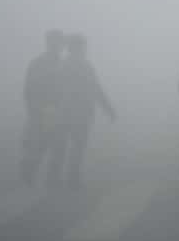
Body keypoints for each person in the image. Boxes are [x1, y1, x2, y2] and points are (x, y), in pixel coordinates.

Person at [48, 34, 115, 189]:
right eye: (82, 47)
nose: (85, 50)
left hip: (66, 113)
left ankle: (54, 179)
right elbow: (96, 88)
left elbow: (54, 91)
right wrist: (108, 109)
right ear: (77, 48)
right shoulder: (83, 66)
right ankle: (71, 179)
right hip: (78, 113)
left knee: (62, 147)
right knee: (75, 147)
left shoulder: (64, 66)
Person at [20, 29, 65, 186]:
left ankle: (52, 179)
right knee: (43, 144)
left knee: (58, 146)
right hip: (43, 110)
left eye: (60, 42)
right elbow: (28, 88)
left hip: (59, 110)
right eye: (55, 42)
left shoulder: (63, 64)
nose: (58, 45)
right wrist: (33, 110)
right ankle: (29, 170)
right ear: (48, 43)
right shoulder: (38, 63)